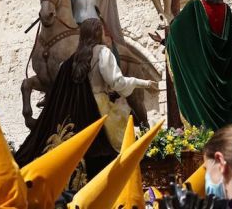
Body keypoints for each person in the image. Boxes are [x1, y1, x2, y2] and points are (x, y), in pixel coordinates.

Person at [15, 18, 157, 178]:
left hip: (75, 112)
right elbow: (118, 82)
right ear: (98, 33)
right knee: (116, 149)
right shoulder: (103, 52)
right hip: (99, 110)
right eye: (102, 31)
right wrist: (143, 83)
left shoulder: (68, 62)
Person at [161, 0, 232, 130]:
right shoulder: (227, 10)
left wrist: (167, 42)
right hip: (224, 77)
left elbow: (177, 32)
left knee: (204, 121)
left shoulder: (195, 6)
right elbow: (230, 46)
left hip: (204, 75)